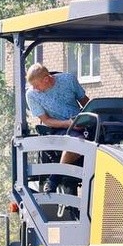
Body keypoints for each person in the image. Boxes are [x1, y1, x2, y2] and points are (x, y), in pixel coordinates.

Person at [25, 63, 90, 192]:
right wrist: (68, 123)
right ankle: (54, 178)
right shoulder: (32, 95)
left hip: (80, 123)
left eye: (36, 85)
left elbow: (85, 102)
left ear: (47, 79)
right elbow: (46, 120)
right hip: (57, 127)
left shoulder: (68, 80)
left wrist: (87, 119)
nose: (35, 89)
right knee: (76, 142)